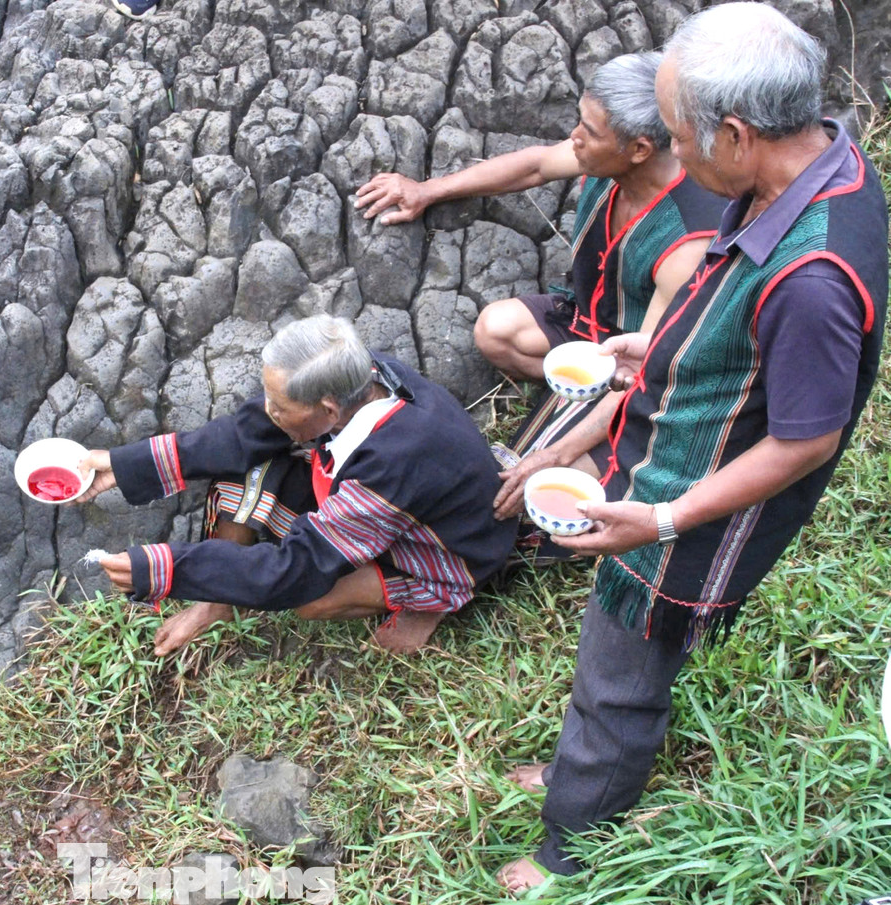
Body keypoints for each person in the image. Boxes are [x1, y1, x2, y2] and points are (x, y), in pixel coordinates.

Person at [495, 4, 887, 894]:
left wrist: (663, 516)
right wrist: (658, 342)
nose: (674, 156)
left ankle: (570, 851)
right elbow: (743, 306)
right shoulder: (822, 155)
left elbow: (807, 438)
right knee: (625, 664)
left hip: (695, 499)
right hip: (682, 442)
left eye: (678, 135)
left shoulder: (815, 281)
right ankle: (579, 778)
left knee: (618, 672)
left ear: (741, 135)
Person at [355, 53, 726, 523]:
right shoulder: (609, 160)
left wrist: (553, 454)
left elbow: (646, 367)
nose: (574, 137)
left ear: (639, 149)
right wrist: (427, 191)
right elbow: (533, 167)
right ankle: (583, 416)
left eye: (589, 131)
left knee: (536, 493)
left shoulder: (685, 244)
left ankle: (606, 430)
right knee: (498, 331)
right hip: (590, 325)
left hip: (643, 366)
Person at [75, 315, 517, 656]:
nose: (267, 409)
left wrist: (167, 569)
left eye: (279, 404)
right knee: (245, 459)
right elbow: (246, 432)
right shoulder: (365, 376)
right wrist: (120, 464)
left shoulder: (393, 466)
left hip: (443, 548)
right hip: (386, 503)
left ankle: (430, 603)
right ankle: (221, 600)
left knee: (312, 598)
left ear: (327, 409)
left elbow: (297, 571)